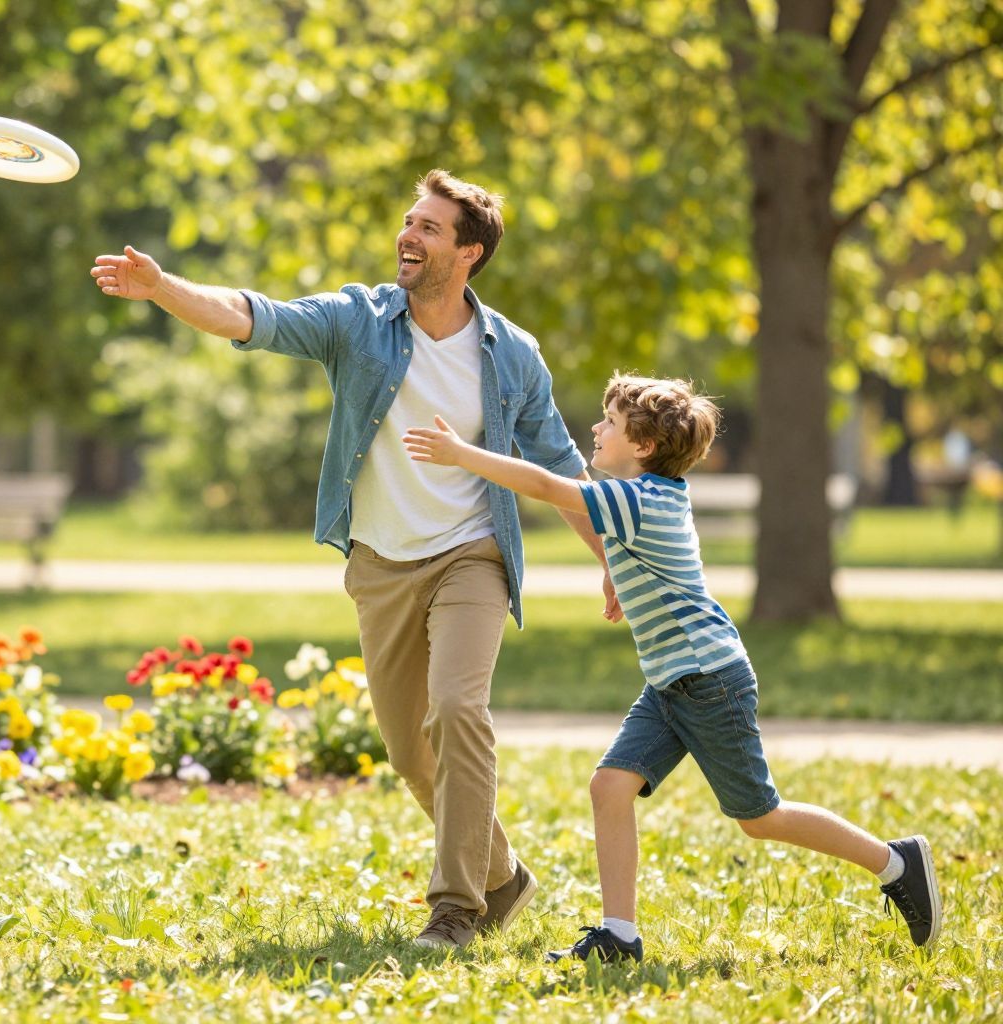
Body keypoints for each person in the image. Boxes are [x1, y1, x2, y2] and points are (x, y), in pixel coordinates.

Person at [93, 170, 621, 949]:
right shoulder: (358, 319)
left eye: (431, 227)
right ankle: (502, 877)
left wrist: (607, 557)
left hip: (471, 553)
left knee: (458, 711)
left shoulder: (512, 355)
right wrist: (165, 287)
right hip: (380, 562)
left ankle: (456, 910)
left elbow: (562, 465)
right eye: (409, 221)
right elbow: (253, 316)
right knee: (411, 753)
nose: (409, 235)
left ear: (469, 252)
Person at [402, 374, 941, 962]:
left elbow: (543, 484)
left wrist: (461, 455)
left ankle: (896, 863)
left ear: (644, 447)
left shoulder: (638, 498)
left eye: (609, 422)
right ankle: (620, 936)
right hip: (671, 681)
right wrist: (619, 581)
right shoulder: (646, 498)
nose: (596, 429)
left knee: (761, 818)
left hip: (709, 682)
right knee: (610, 786)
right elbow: (625, 551)